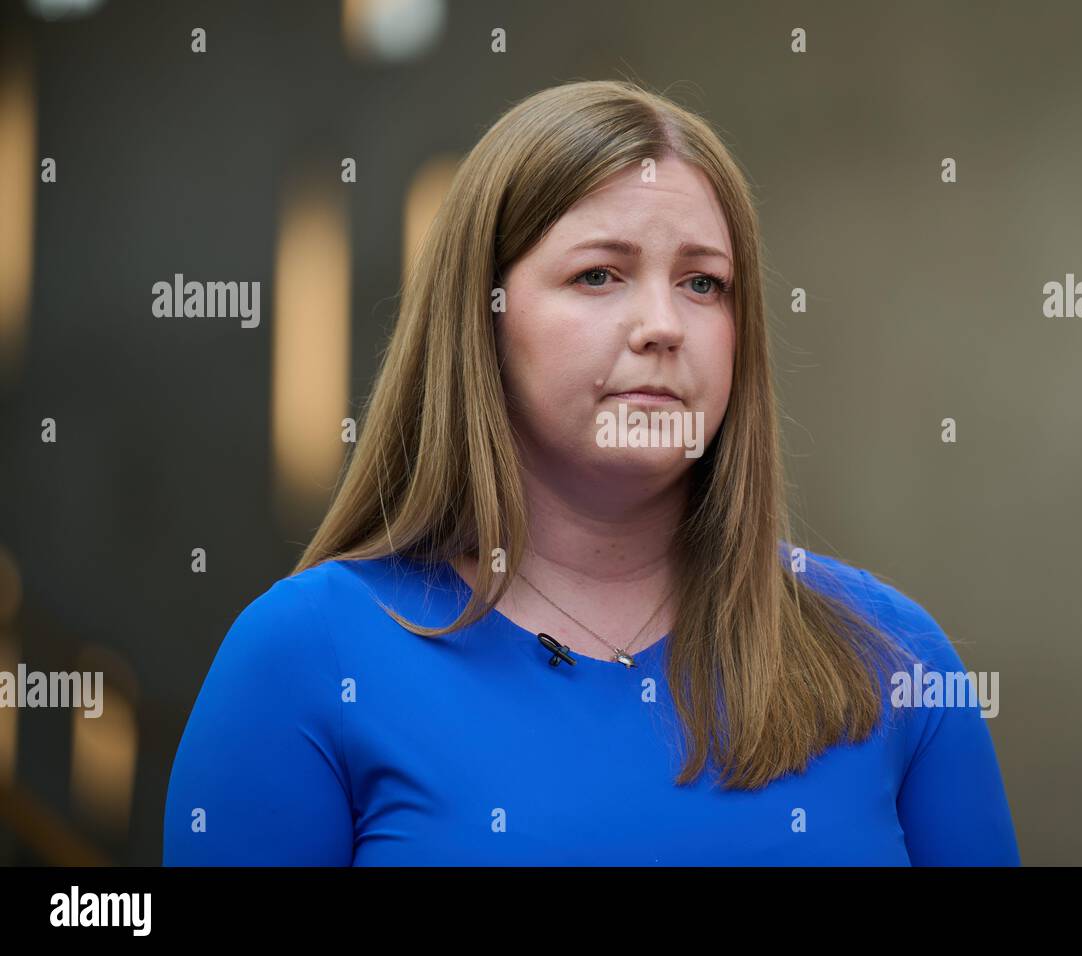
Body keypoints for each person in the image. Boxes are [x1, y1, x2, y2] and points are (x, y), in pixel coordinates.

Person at [163, 79, 1020, 866]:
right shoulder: (305, 656)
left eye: (703, 284)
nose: (662, 325)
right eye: (599, 275)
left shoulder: (893, 657)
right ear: (481, 320)